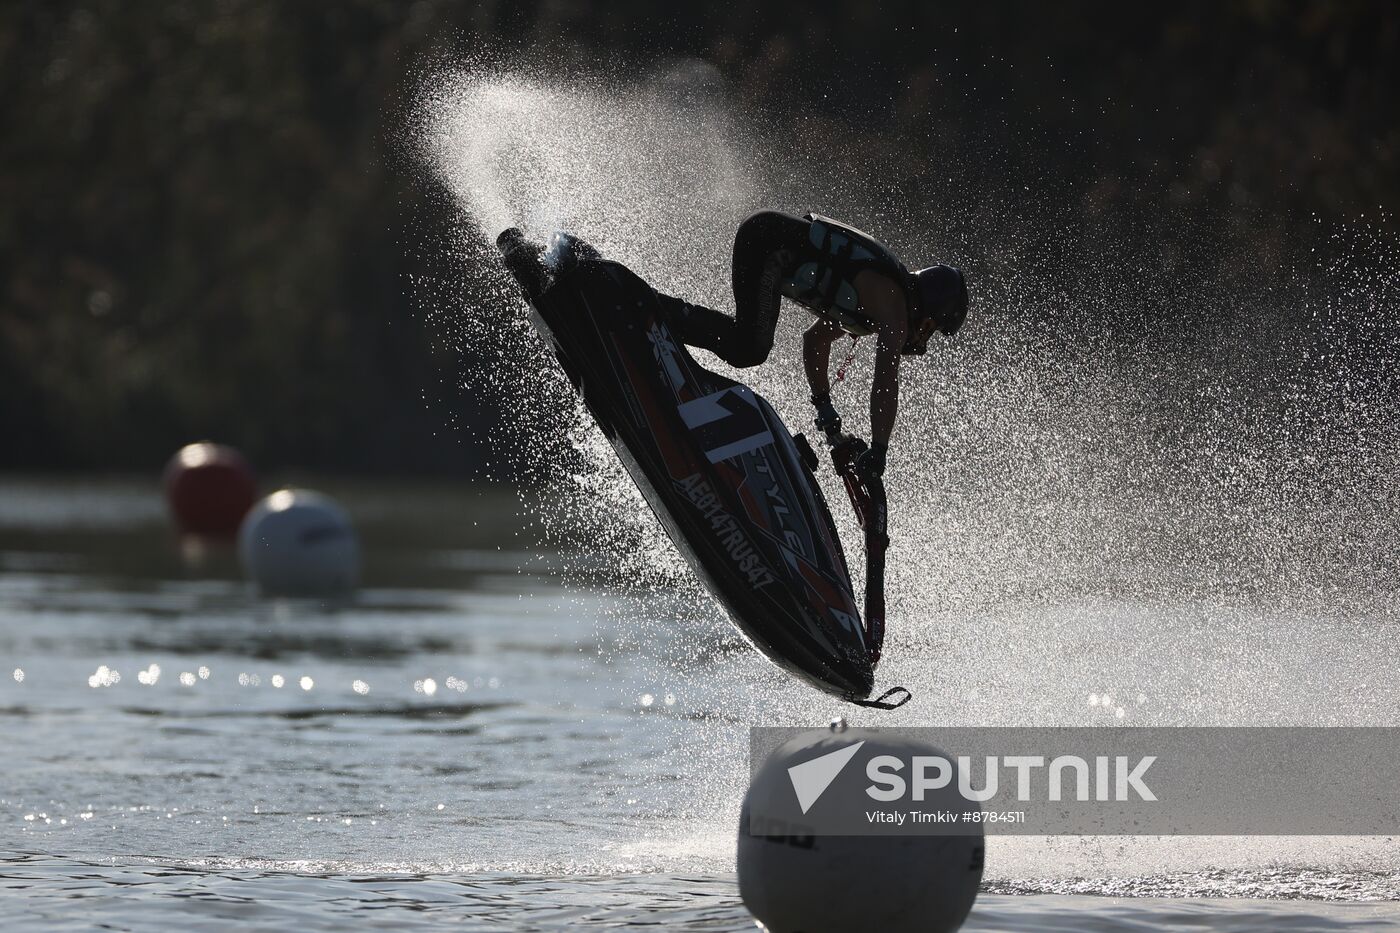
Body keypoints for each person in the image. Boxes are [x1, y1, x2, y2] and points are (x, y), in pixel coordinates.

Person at [654, 210, 968, 481]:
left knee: (747, 345)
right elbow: (885, 382)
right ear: (929, 316)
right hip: (767, 242)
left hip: (765, 237)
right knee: (749, 346)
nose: (924, 339)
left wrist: (825, 408)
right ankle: (656, 312)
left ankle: (660, 318)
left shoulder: (879, 305)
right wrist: (879, 450)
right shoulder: (894, 309)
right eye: (932, 329)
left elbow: (815, 342)